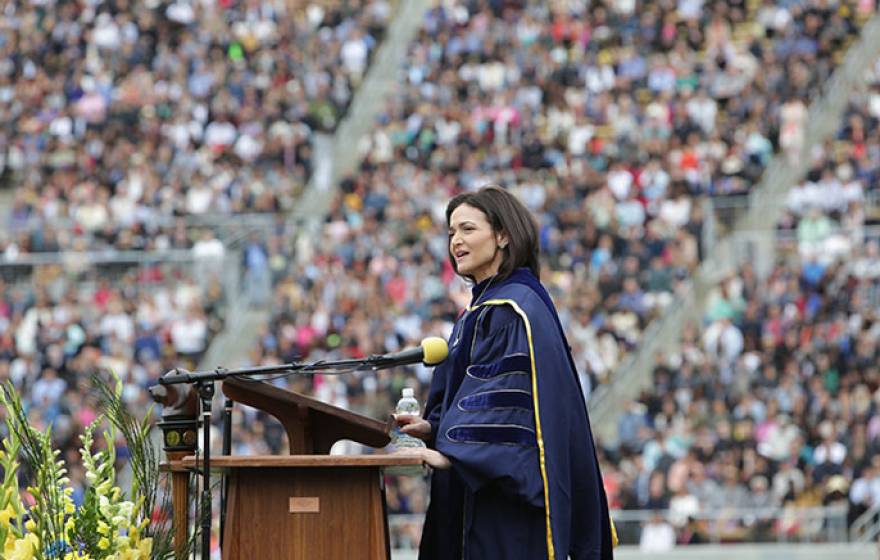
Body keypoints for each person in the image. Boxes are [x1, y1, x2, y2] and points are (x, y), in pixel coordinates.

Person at [396, 185, 616, 559]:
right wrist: (435, 430)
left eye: (467, 229)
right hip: (484, 501)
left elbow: (506, 414)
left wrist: (455, 451)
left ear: (502, 235)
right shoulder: (488, 309)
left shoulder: (512, 310)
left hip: (507, 513)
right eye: (451, 233)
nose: (456, 241)